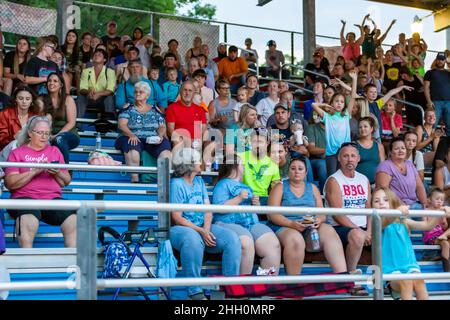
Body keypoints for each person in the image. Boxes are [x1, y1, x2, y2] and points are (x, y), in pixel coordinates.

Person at [170, 148, 241, 300]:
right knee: (192, 239)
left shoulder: (199, 181)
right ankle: (194, 289)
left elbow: (208, 210)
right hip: (182, 229)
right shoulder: (176, 184)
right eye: (197, 160)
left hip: (202, 226)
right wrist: (200, 231)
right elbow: (176, 217)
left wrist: (206, 229)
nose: (201, 162)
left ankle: (230, 287)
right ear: (188, 164)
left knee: (232, 239)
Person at [267, 156, 347, 275]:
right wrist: (291, 224)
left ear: (306, 172)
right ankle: (294, 284)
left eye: (300, 169)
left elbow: (322, 213)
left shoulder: (313, 188)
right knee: (296, 240)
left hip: (309, 226)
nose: (296, 171)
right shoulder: (280, 187)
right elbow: (272, 214)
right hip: (286, 226)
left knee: (329, 230)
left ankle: (342, 277)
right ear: (288, 171)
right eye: (293, 168)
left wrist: (318, 221)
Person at [4, 116, 75, 248]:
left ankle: (72, 263)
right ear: (30, 133)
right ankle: (27, 260)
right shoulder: (17, 153)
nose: (44, 137)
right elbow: (10, 183)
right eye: (40, 133)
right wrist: (34, 172)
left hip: (51, 198)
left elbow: (66, 181)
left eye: (47, 133)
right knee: (29, 213)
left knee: (73, 217)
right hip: (23, 198)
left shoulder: (55, 151)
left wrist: (57, 172)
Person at [213, 155, 281, 274]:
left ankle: (265, 284)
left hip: (251, 223)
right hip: (227, 223)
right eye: (242, 165)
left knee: (272, 244)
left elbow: (255, 210)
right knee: (246, 243)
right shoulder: (222, 184)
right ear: (234, 167)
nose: (244, 167)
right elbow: (219, 208)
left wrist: (256, 204)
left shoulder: (246, 187)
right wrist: (238, 198)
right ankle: (242, 287)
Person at [373, 187, 445, 300]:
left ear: (392, 202)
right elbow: (387, 221)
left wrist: (440, 212)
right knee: (406, 281)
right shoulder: (376, 222)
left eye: (385, 200)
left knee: (420, 282)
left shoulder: (403, 221)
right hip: (391, 271)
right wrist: (397, 212)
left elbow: (428, 226)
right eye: (376, 201)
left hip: (410, 266)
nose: (381, 203)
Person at [324, 142, 372, 278]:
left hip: (362, 227)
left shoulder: (364, 179)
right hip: (340, 227)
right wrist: (359, 230)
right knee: (357, 235)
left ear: (358, 158)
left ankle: (388, 279)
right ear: (339, 158)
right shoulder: (334, 180)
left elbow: (369, 208)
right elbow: (337, 214)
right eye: (345, 156)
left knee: (389, 232)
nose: (350, 159)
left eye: (352, 156)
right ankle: (350, 277)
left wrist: (369, 231)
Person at [115, 82, 171, 183]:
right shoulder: (128, 108)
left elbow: (162, 126)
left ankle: (163, 182)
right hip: (132, 136)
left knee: (165, 151)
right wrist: (131, 134)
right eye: (136, 92)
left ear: (147, 95)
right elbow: (122, 125)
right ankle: (135, 179)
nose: (137, 94)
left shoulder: (155, 109)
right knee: (132, 146)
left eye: (141, 92)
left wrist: (160, 135)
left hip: (152, 138)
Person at [311, 71, 357, 176]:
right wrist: (326, 105)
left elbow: (353, 96)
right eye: (336, 101)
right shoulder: (327, 117)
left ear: (344, 104)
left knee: (345, 176)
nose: (339, 103)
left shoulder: (346, 115)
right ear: (332, 103)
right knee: (332, 177)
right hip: (331, 153)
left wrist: (354, 80)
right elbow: (314, 105)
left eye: (341, 102)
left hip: (345, 151)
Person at [375, 137, 427, 209]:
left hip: (414, 205)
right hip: (396, 207)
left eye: (403, 148)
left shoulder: (410, 164)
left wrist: (425, 204)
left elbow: (419, 186)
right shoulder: (385, 166)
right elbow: (384, 191)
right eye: (396, 148)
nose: (400, 151)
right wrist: (403, 206)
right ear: (390, 152)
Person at [42, 73, 79, 164]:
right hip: (49, 134)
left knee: (59, 140)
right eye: (49, 81)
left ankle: (65, 170)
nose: (51, 83)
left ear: (61, 85)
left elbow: (71, 123)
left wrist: (56, 135)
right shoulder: (42, 99)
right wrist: (49, 135)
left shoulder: (68, 99)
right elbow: (40, 122)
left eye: (55, 81)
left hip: (68, 134)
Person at [240, 128, 281, 206]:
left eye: (260, 142)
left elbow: (276, 189)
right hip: (243, 196)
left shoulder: (273, 164)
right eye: (255, 142)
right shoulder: (240, 157)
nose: (258, 145)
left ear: (267, 143)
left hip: (263, 199)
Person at [166, 80, 207, 148]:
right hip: (180, 140)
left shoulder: (199, 109)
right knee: (178, 142)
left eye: (190, 90)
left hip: (196, 141)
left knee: (212, 144)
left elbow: (203, 129)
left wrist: (197, 141)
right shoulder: (172, 108)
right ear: (180, 92)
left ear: (193, 93)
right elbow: (170, 130)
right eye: (185, 90)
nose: (187, 93)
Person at [77, 48, 116, 118]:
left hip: (103, 100)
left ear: (105, 59)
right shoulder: (86, 71)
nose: (96, 56)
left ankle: (109, 124)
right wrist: (89, 92)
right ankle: (78, 125)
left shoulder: (110, 72)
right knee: (80, 97)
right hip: (89, 98)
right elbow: (82, 89)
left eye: (99, 55)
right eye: (95, 55)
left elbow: (110, 90)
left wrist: (99, 94)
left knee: (109, 98)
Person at [0, 86, 41, 152]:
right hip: (9, 150)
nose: (24, 101)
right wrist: (14, 137)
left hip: (30, 150)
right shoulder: (5, 114)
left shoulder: (35, 116)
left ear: (31, 101)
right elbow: (1, 140)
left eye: (27, 99)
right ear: (16, 99)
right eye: (20, 98)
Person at [423, 188, 450, 271]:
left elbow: (444, 227)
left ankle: (444, 235)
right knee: (445, 244)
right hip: (431, 236)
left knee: (445, 241)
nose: (439, 201)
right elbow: (424, 227)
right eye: (437, 199)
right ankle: (447, 272)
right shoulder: (425, 211)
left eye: (442, 200)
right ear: (429, 200)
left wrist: (444, 219)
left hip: (441, 235)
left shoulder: (442, 212)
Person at [424, 52, 450, 136]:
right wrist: (429, 101)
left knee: (449, 125)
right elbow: (426, 88)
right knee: (432, 124)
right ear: (436, 60)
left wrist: (448, 62)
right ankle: (428, 144)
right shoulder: (430, 72)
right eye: (439, 59)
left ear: (445, 61)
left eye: (442, 60)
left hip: (448, 102)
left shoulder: (448, 72)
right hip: (435, 102)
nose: (440, 61)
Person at [356, 117, 385, 185]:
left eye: (365, 126)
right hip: (358, 184)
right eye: (360, 127)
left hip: (376, 184)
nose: (362, 129)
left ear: (371, 129)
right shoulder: (354, 145)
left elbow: (383, 167)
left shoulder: (379, 146)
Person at [306, 110, 327, 192]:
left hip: (332, 159)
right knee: (322, 165)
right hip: (316, 160)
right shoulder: (311, 128)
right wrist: (328, 150)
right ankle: (322, 194)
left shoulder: (334, 128)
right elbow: (311, 149)